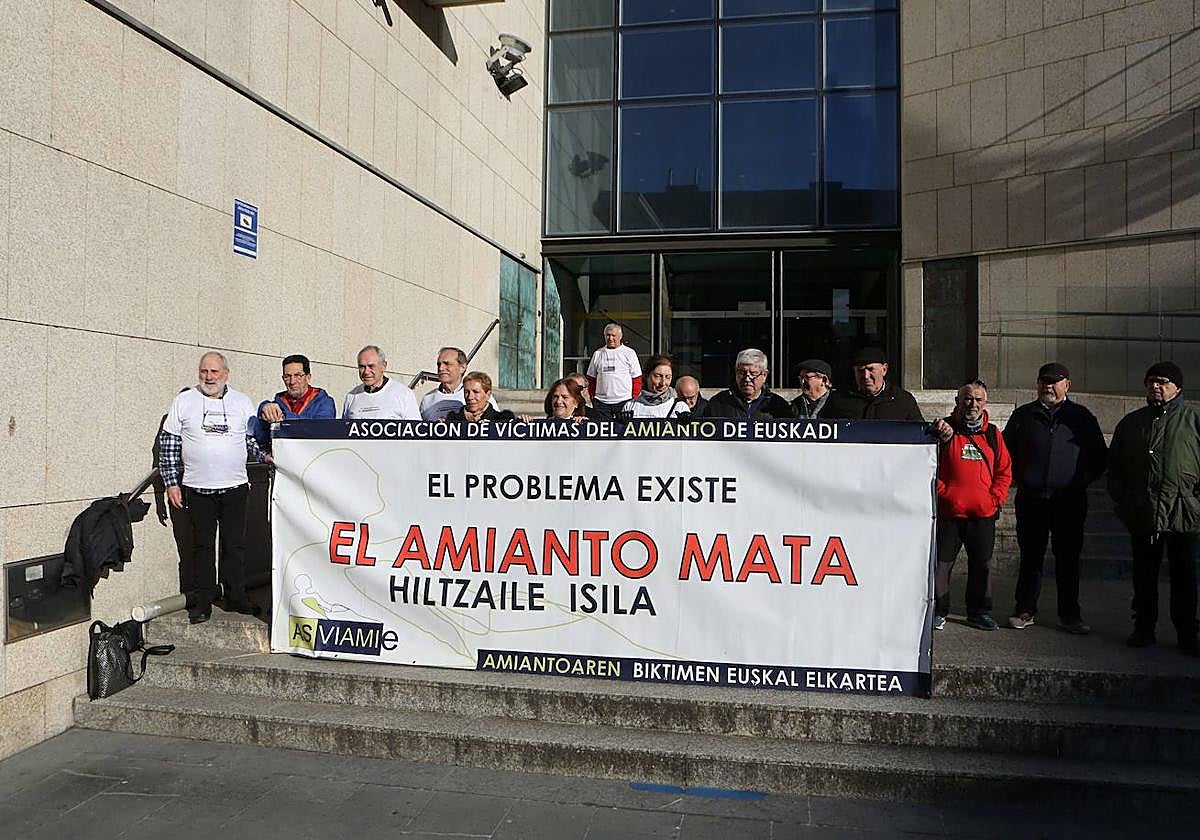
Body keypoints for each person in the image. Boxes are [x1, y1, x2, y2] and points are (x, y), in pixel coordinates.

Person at [158, 352, 267, 624]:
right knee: (202, 547)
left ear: (226, 374)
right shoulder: (184, 401)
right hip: (197, 488)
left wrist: (266, 457)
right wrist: (171, 483)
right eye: (204, 371)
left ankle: (236, 596)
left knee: (234, 545)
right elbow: (169, 444)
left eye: (214, 372)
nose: (209, 377)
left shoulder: (242, 402)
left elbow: (251, 441)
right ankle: (203, 600)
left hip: (235, 487)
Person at [1003, 362, 1107, 634]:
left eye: (1054, 381)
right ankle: (1025, 609)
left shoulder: (1081, 417)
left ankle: (1070, 615)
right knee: (1031, 557)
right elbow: (1005, 451)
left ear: (1067, 385)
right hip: (1032, 499)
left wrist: (1079, 481)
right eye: (1044, 381)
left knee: (1068, 559)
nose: (1048, 386)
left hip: (1069, 501)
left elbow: (1098, 457)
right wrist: (1020, 477)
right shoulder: (1023, 416)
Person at [1108, 362, 1199, 656]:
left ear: (1177, 387)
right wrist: (1124, 499)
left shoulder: (1193, 420)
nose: (1155, 387)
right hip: (1144, 513)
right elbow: (1116, 467)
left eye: (1162, 382)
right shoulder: (1132, 423)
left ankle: (1187, 633)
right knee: (1144, 576)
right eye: (1150, 382)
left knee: (1185, 578)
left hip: (1184, 516)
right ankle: (1143, 627)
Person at [932, 381, 1012, 631]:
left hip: (982, 514)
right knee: (942, 566)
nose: (972, 404)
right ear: (957, 401)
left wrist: (994, 499)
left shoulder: (993, 434)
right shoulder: (944, 431)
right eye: (967, 399)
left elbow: (1004, 471)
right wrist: (944, 494)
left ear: (985, 404)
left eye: (978, 400)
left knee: (983, 565)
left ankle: (978, 612)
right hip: (949, 514)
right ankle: (938, 611)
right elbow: (928, 467)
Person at [250, 354, 337, 450]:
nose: (292, 381)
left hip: (312, 461)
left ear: (308, 377)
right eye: (287, 376)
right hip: (283, 462)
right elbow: (262, 439)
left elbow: (319, 431)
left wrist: (284, 416)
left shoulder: (324, 403)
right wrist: (263, 412)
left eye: (298, 375)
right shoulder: (278, 403)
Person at [823, 347, 924, 421]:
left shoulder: (903, 400)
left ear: (884, 369)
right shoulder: (838, 399)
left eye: (871, 369)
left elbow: (920, 432)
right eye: (860, 371)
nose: (866, 376)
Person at [702, 348, 792, 420]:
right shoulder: (718, 403)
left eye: (753, 373)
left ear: (764, 375)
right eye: (742, 372)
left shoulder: (778, 406)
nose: (747, 378)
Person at [343, 345, 420, 420]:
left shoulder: (403, 394)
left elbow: (415, 429)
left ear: (383, 366)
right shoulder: (351, 397)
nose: (366, 372)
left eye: (371, 366)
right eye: (362, 367)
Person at [419, 347, 496, 420]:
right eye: (439, 364)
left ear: (462, 367)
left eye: (447, 364)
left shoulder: (478, 396)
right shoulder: (428, 399)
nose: (441, 368)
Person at [586, 323, 641, 420]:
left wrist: (634, 398)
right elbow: (591, 378)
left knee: (622, 432)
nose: (610, 338)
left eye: (613, 335)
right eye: (608, 335)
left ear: (620, 336)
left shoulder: (629, 353)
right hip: (601, 403)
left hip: (624, 401)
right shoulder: (598, 354)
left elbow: (637, 378)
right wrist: (592, 398)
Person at [624, 354, 689, 418]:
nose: (663, 383)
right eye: (658, 376)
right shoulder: (630, 406)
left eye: (668, 377)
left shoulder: (680, 407)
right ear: (646, 376)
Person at [446, 371, 515, 422]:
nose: (470, 397)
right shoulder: (452, 420)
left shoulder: (503, 419)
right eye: (467, 392)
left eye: (476, 392)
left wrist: (524, 422)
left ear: (488, 394)